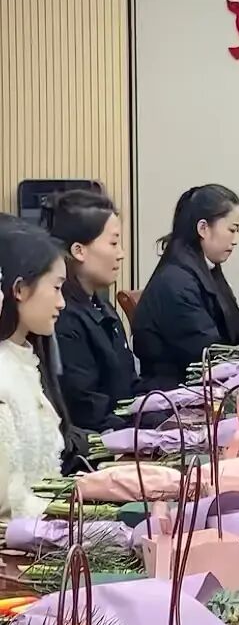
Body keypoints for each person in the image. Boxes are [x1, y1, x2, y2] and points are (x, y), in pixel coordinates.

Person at [132, 184, 239, 388]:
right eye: (232, 230)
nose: (236, 240)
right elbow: (208, 353)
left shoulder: (205, 266)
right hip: (176, 390)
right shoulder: (176, 282)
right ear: (203, 228)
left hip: (201, 382)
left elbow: (226, 324)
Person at [45, 191, 164, 432]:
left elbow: (128, 385)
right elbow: (88, 412)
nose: (121, 254)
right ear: (79, 250)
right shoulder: (62, 316)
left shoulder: (99, 302)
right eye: (113, 243)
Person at [0, 224, 74, 518]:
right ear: (19, 289)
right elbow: (8, 501)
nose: (62, 302)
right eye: (56, 288)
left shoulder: (27, 358)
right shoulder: (4, 372)